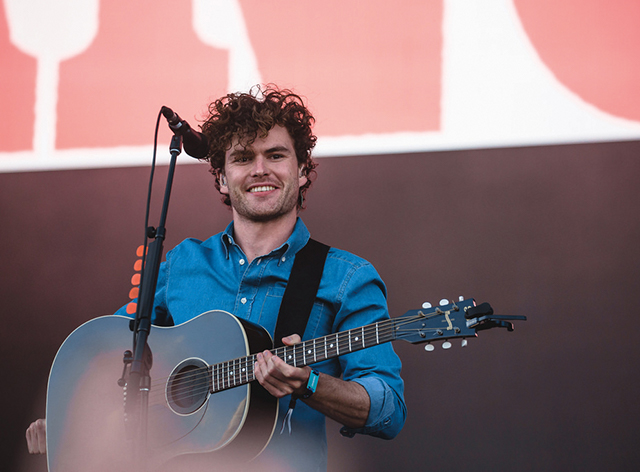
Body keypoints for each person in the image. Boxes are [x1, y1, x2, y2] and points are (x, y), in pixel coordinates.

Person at [26, 85, 406, 471]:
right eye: (243, 158)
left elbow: (388, 408)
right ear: (222, 179)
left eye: (275, 155)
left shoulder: (347, 277)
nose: (260, 169)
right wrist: (68, 423)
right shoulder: (182, 263)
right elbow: (110, 355)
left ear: (303, 171)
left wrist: (309, 384)